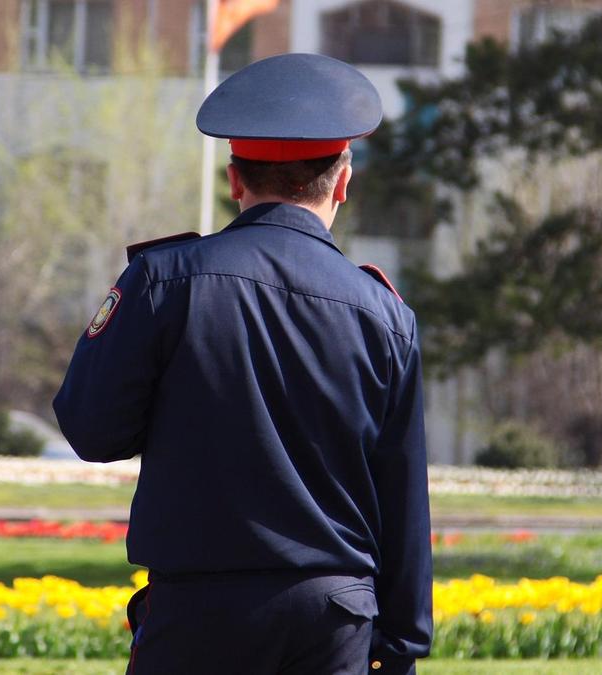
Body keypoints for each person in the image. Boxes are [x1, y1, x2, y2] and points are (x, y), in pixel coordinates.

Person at [53, 53, 432, 674]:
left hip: (198, 613)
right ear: (343, 180)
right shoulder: (384, 315)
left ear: (234, 179)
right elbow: (403, 496)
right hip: (334, 619)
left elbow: (93, 432)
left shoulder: (163, 281)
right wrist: (401, 649)